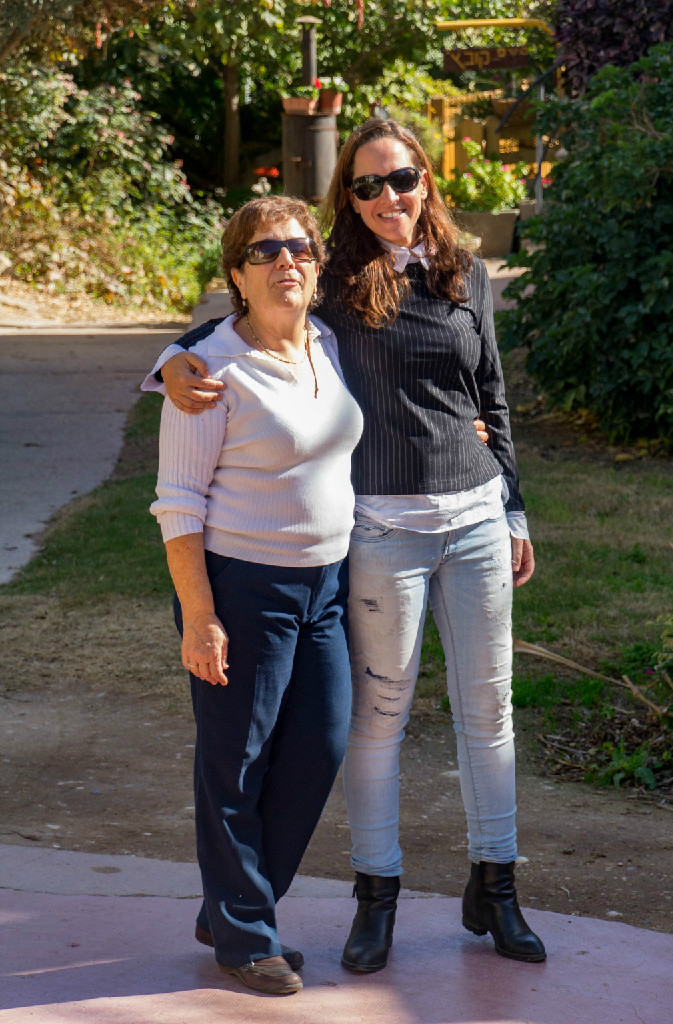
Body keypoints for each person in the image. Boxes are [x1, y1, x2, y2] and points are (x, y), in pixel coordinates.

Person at [151, 118, 545, 970]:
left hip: (474, 515)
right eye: (367, 185)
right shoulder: (336, 281)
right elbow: (245, 320)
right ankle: (372, 901)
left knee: (484, 711)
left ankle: (497, 889)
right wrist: (170, 361)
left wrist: (512, 506)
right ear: (349, 200)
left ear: (426, 179)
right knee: (373, 719)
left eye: (401, 178)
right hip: (380, 530)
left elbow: (493, 397)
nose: (387, 196)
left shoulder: (466, 274)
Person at [146, 195, 363, 995]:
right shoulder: (207, 372)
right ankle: (244, 935)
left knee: (319, 747)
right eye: (265, 252)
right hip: (243, 587)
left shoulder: (328, 344)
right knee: (236, 763)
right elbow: (177, 502)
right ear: (237, 274)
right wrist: (200, 615)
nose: (285, 263)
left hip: (326, 588)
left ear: (318, 263)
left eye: (299, 248)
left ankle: (232, 906)